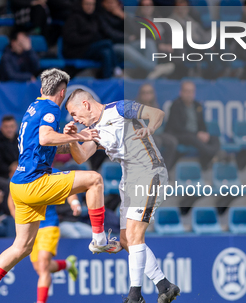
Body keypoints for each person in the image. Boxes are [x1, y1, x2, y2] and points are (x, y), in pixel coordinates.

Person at [0, 69, 121, 303]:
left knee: (22, 247)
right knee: (94, 179)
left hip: (18, 185)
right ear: (62, 92)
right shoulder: (50, 109)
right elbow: (46, 138)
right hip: (35, 182)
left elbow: (44, 144)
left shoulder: (33, 107)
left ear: (42, 89)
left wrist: (73, 139)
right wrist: (79, 136)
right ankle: (99, 239)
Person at [64, 90, 180, 303]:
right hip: (129, 180)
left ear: (85, 104)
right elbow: (81, 157)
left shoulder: (119, 109)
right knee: (127, 239)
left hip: (149, 172)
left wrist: (150, 128)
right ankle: (165, 286)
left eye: (74, 113)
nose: (75, 119)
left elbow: (157, 113)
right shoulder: (93, 130)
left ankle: (135, 296)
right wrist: (73, 139)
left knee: (134, 235)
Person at [7, 192, 79, 303]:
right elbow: (12, 195)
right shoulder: (24, 175)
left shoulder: (53, 173)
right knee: (40, 268)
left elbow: (70, 187)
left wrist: (74, 202)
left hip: (49, 225)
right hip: (30, 229)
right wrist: (15, 213)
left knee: (43, 265)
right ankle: (68, 264)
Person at [165, 81, 220, 170]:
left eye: (191, 91)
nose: (189, 94)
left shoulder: (197, 105)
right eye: (186, 91)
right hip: (180, 135)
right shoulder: (175, 105)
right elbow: (176, 127)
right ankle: (214, 155)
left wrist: (204, 133)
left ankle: (209, 157)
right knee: (191, 138)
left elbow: (202, 123)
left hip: (195, 135)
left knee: (214, 138)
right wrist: (197, 134)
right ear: (181, 92)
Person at [62, 0, 117, 79]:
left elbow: (105, 32)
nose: (90, 7)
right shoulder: (73, 18)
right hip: (77, 50)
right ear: (81, 4)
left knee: (106, 52)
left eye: (92, 4)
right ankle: (116, 69)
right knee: (107, 43)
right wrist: (90, 38)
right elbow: (71, 38)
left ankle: (105, 79)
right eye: (87, 4)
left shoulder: (95, 18)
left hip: (91, 49)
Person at [136, 83, 179, 171]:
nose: (147, 95)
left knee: (172, 141)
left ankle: (164, 170)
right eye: (144, 93)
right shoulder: (136, 108)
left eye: (149, 93)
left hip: (158, 133)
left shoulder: (155, 106)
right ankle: (152, 170)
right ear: (140, 95)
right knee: (156, 142)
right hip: (144, 134)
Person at [0, 115, 19, 180]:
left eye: (12, 126)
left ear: (16, 127)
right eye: (6, 127)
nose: (9, 130)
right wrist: (12, 168)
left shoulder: (21, 139)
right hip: (3, 175)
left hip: (21, 171)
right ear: (1, 128)